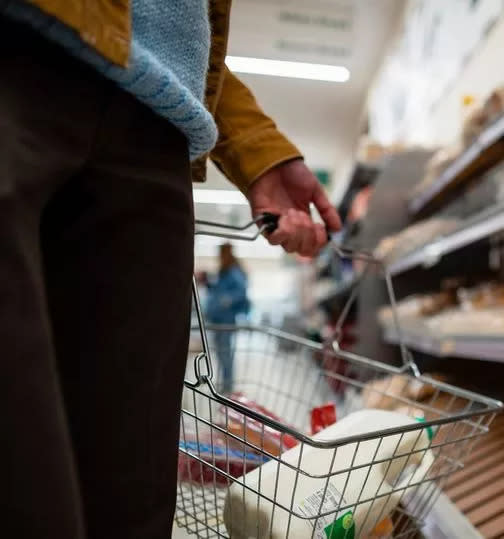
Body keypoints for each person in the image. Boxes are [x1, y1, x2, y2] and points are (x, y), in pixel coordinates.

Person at [1, 1, 342, 538]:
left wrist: (259, 150)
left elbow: (171, 24)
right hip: (21, 57)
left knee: (130, 490)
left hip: (158, 137)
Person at [202, 243, 250, 394]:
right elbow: (218, 290)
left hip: (225, 320)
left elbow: (241, 291)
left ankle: (228, 387)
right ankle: (224, 384)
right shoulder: (224, 271)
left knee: (225, 354)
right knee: (221, 354)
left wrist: (226, 300)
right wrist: (208, 283)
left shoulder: (233, 271)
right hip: (217, 318)